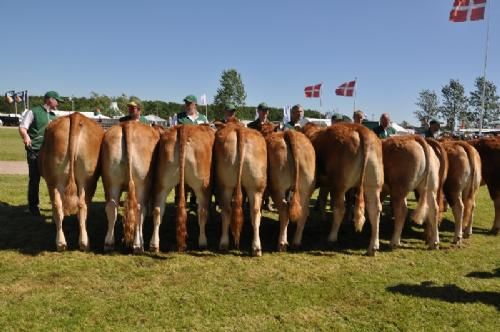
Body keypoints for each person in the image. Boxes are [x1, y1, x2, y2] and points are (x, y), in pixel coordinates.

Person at [18, 91, 61, 216]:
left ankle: (56, 205)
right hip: (35, 150)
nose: (58, 103)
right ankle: (33, 207)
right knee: (35, 179)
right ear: (50, 100)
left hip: (50, 153)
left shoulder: (54, 116)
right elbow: (22, 127)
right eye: (57, 100)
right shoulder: (34, 111)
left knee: (55, 179)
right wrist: (26, 137)